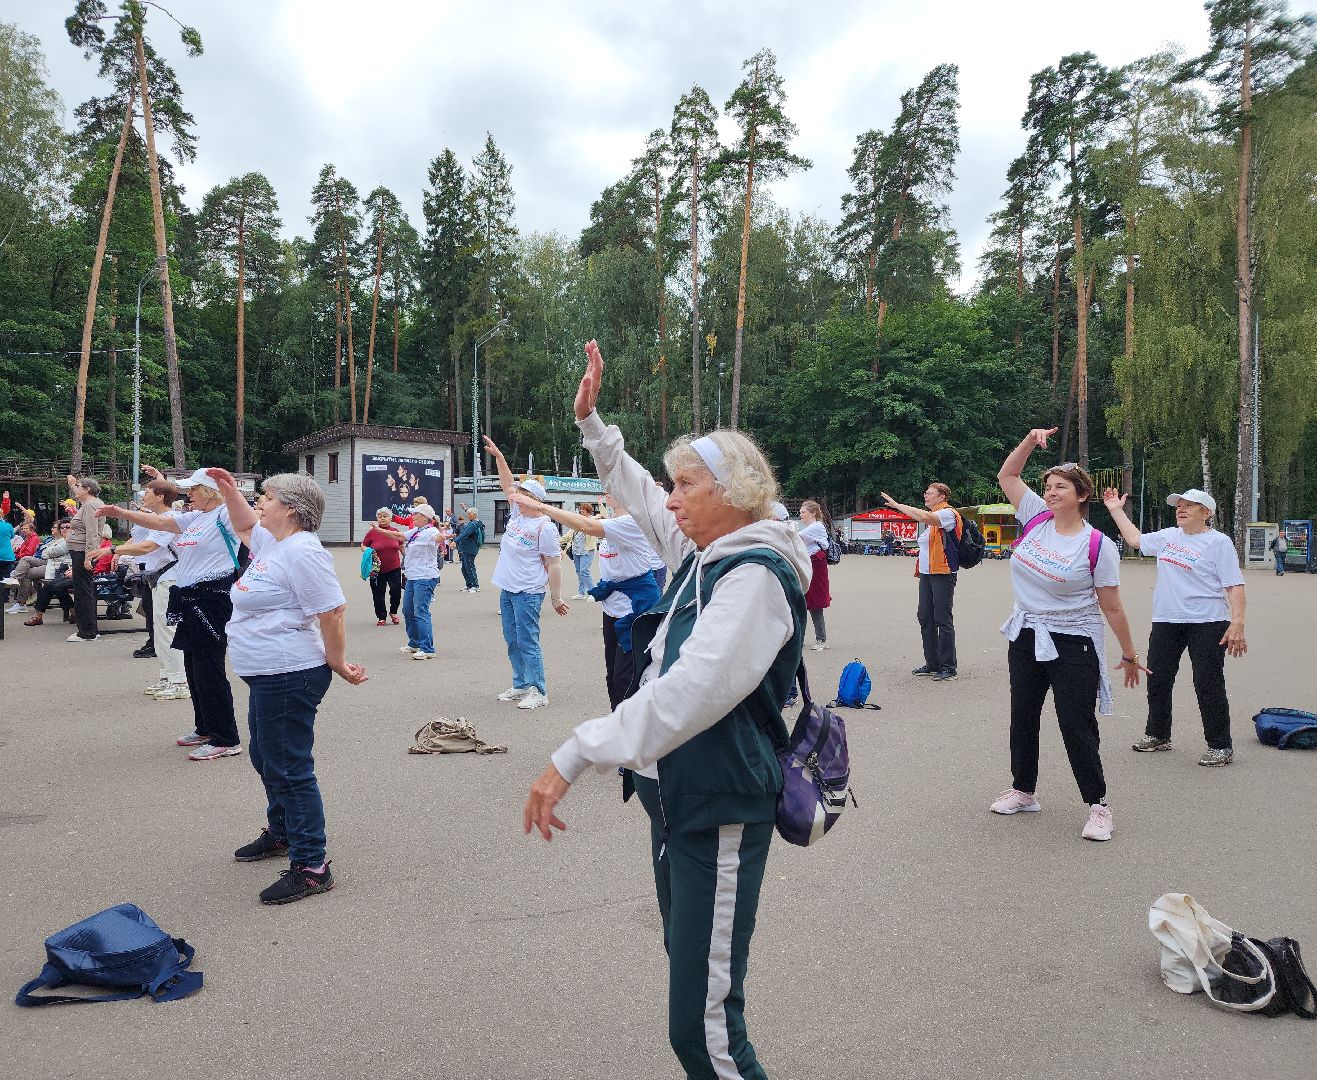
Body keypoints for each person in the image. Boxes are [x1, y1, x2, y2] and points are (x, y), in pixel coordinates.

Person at [525, 339, 808, 1080]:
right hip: (675, 797)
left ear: (736, 492)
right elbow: (642, 497)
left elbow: (691, 691)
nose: (670, 497)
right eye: (674, 485)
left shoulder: (751, 574)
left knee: (703, 1030)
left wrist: (577, 750)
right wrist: (594, 428)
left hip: (715, 804)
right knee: (691, 977)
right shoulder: (706, 551)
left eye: (687, 485)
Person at [206, 468, 367, 905]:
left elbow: (332, 610)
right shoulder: (273, 543)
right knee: (265, 756)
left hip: (291, 674)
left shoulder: (302, 552)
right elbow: (242, 524)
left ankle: (312, 866)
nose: (259, 501)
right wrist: (227, 491)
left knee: (290, 768)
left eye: (267, 497)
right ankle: (281, 832)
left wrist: (336, 662)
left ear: (292, 509)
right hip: (267, 674)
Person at [992, 428, 1150, 842]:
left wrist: (1130, 654)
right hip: (1026, 634)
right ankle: (1024, 791)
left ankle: (1098, 807)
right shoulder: (1036, 519)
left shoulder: (1097, 545)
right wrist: (1027, 440)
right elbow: (1008, 477)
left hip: (1073, 641)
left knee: (1075, 723)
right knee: (1022, 717)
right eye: (1047, 486)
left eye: (1060, 486)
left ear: (1082, 495)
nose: (1050, 492)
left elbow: (1111, 606)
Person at [98, 466, 244, 761]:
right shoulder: (196, 516)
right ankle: (205, 727)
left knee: (209, 665)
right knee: (192, 662)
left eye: (193, 489)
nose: (188, 493)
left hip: (213, 596)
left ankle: (226, 737)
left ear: (209, 491)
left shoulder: (226, 514)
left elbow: (243, 513)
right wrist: (121, 513)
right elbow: (160, 523)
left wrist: (230, 488)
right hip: (190, 595)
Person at [1103, 487, 1247, 766]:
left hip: (1208, 620)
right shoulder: (1168, 536)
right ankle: (1158, 734)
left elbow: (1234, 585)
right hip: (1167, 619)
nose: (1181, 509)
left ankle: (1220, 746)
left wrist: (1238, 622)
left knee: (1207, 682)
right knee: (1158, 678)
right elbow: (1134, 539)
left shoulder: (1219, 542)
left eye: (1189, 506)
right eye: (1178, 505)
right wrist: (1115, 510)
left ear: (1206, 513)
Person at [510, 489, 661, 709]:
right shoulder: (614, 522)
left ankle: (635, 729)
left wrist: (541, 507)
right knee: (611, 675)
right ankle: (618, 724)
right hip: (612, 607)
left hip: (635, 608)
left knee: (626, 676)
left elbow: (585, 526)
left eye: (615, 485)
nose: (608, 489)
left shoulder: (632, 522)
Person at [485, 438, 568, 710]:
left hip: (528, 593)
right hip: (508, 589)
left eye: (521, 495)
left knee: (528, 641)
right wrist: (499, 456)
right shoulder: (518, 515)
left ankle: (539, 690)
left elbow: (554, 563)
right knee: (512, 640)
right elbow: (507, 483)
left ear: (534, 500)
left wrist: (556, 598)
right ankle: (521, 684)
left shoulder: (545, 527)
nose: (514, 497)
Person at [109, 479, 187, 699]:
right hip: (159, 578)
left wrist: (114, 550)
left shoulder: (170, 519)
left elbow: (148, 547)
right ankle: (167, 675)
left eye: (147, 493)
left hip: (170, 578)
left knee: (168, 630)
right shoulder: (157, 519)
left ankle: (179, 681)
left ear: (160, 496)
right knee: (159, 630)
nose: (143, 497)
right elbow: (141, 541)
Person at [880, 482, 961, 681]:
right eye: (925, 492)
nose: (926, 495)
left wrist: (897, 505)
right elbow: (922, 517)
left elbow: (924, 516)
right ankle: (932, 662)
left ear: (942, 496)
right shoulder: (932, 519)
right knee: (925, 617)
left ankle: (948, 666)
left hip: (943, 572)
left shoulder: (948, 514)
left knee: (943, 619)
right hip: (927, 573)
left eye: (930, 493)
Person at [65, 474, 106, 643]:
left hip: (83, 552)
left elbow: (92, 532)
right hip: (80, 551)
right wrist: (73, 484)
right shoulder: (89, 503)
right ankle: (89, 629)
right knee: (83, 590)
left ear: (87, 489)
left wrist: (89, 555)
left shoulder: (90, 506)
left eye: (79, 487)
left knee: (83, 592)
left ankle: (87, 632)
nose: (76, 490)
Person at [400, 502, 441, 659]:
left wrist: (442, 537)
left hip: (425, 577)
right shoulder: (417, 531)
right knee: (407, 610)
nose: (412, 516)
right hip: (412, 576)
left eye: (415, 514)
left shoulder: (431, 531)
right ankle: (414, 643)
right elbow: (399, 536)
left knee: (420, 611)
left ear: (424, 517)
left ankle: (428, 649)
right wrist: (379, 530)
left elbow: (437, 537)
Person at [361, 508, 404, 626]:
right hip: (376, 569)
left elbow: (401, 546)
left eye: (385, 516)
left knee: (396, 591)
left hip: (394, 567)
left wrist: (408, 559)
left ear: (390, 518)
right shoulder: (372, 532)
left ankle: (393, 612)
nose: (382, 518)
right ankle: (381, 616)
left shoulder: (395, 531)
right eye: (380, 516)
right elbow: (363, 545)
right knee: (378, 593)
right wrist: (368, 550)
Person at [799, 500, 831, 651]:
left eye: (803, 512)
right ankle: (802, 638)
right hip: (809, 564)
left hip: (816, 565)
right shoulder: (812, 527)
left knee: (815, 603)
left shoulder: (816, 527)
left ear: (812, 513)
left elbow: (795, 537)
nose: (801, 515)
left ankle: (822, 639)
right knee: (804, 601)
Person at [565, 503, 599, 599]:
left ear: (588, 512)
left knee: (584, 571)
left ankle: (593, 593)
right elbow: (569, 534)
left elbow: (596, 518)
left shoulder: (592, 521)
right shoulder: (578, 522)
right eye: (580, 511)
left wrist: (600, 505)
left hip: (587, 551)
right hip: (576, 550)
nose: (581, 512)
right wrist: (558, 542)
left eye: (583, 511)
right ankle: (581, 593)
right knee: (579, 572)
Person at [454, 506, 484, 593]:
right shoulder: (475, 522)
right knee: (464, 568)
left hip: (470, 548)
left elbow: (465, 534)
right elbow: (463, 533)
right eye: (467, 513)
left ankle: (475, 586)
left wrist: (455, 541)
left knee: (469, 566)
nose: (467, 515)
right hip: (465, 548)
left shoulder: (473, 524)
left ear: (474, 515)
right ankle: (469, 585)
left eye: (469, 514)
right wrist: (465, 508)